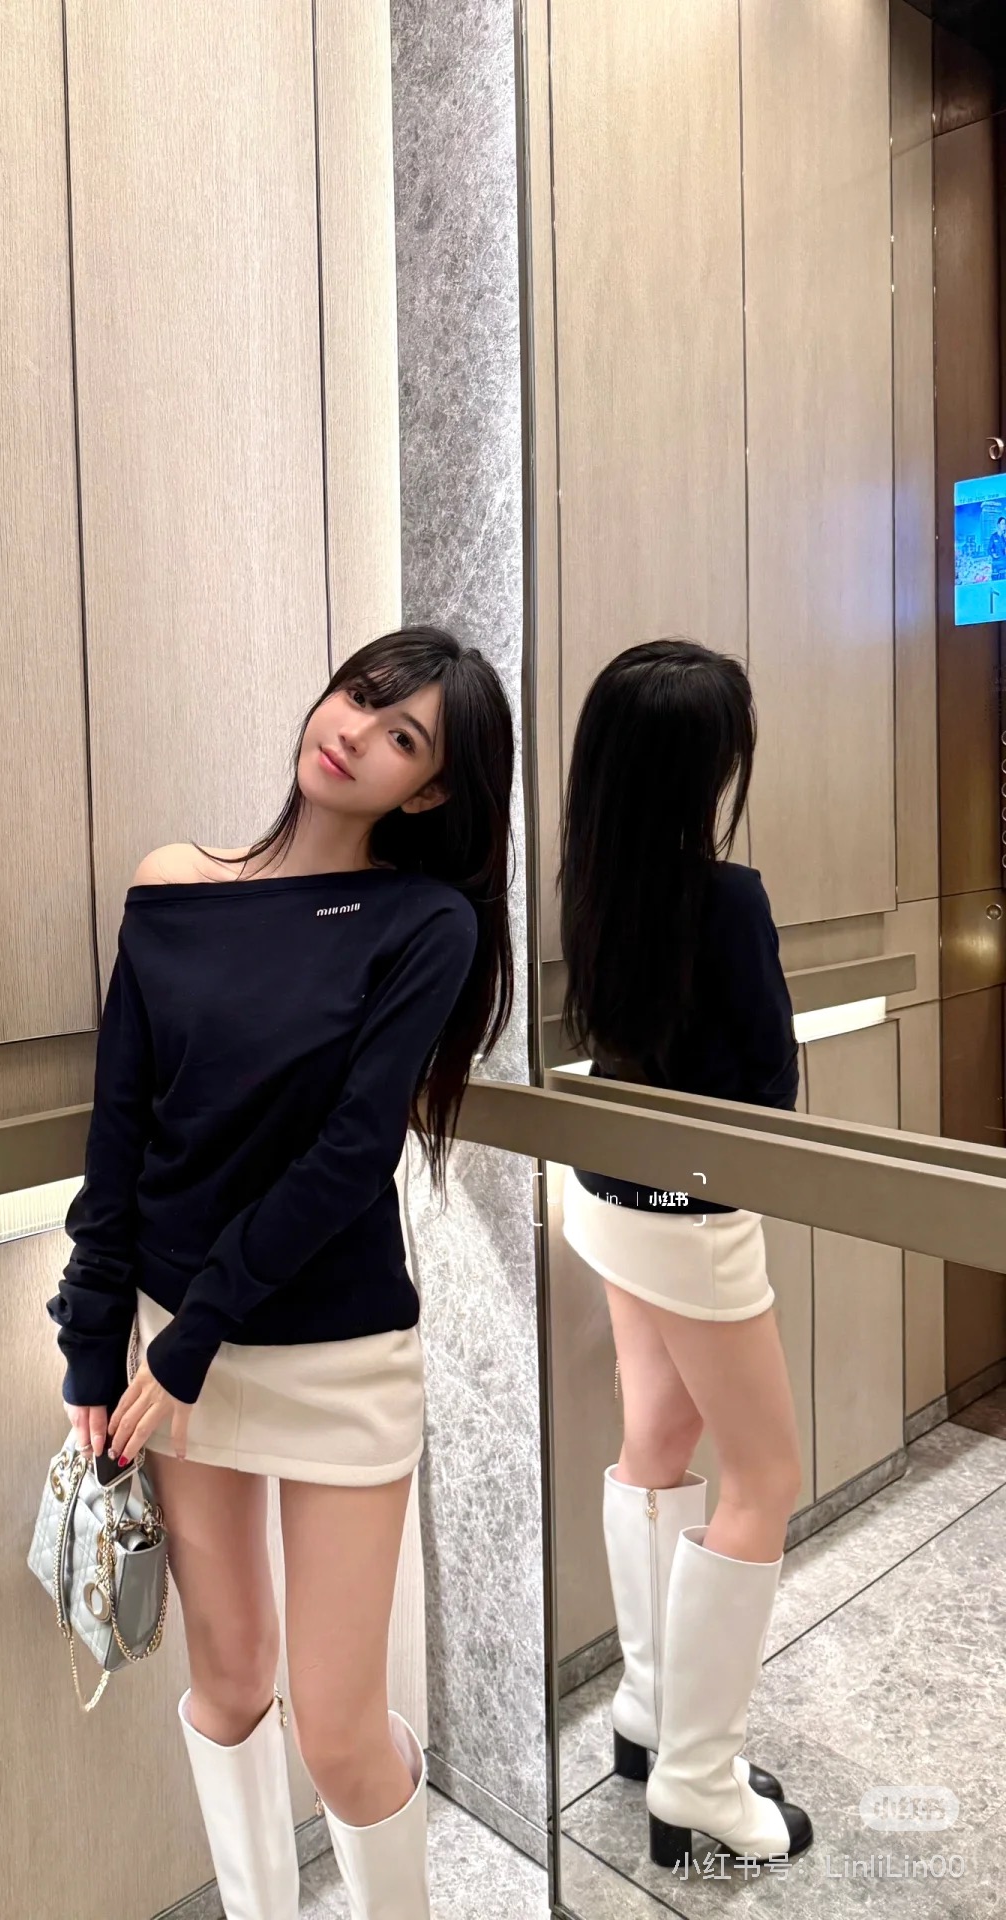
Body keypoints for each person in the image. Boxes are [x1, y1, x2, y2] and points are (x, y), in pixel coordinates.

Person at [47, 626, 515, 1919]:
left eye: (403, 736)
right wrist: (95, 1346)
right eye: (361, 696)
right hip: (173, 1345)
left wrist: (192, 1335)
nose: (356, 731)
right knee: (229, 1681)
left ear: (427, 790)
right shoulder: (172, 886)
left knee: (341, 1728)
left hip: (331, 1357)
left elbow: (353, 1152)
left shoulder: (422, 923)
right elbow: (121, 1133)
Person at [556, 638, 813, 1874]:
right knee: (764, 1477)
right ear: (709, 767)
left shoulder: (594, 884)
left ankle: (654, 1713)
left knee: (656, 1437)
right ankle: (699, 1784)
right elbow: (768, 1088)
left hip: (610, 1196)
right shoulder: (726, 898)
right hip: (699, 1222)